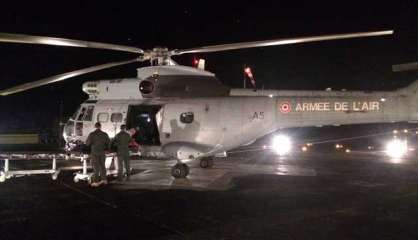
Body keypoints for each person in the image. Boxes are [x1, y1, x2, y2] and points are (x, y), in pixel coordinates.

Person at [86, 122, 110, 187]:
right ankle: (104, 180)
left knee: (96, 167)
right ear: (100, 127)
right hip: (102, 152)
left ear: (95, 127)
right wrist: (106, 149)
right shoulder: (105, 134)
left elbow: (87, 143)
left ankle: (96, 182)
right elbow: (108, 143)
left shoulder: (92, 134)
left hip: (94, 153)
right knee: (103, 166)